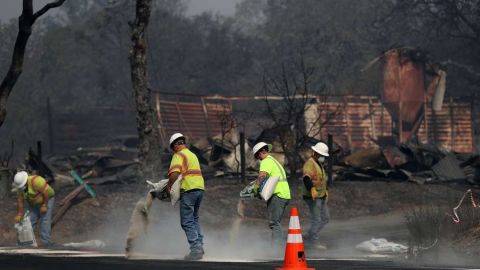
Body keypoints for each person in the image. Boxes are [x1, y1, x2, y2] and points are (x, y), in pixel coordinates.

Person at [166, 133, 205, 261]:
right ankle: (200, 246)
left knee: (187, 221)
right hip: (199, 188)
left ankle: (196, 249)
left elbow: (175, 173)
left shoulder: (179, 155)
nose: (173, 150)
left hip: (189, 189)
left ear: (175, 145)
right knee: (194, 218)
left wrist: (169, 185)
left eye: (173, 147)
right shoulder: (192, 154)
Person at [252, 142, 291, 246]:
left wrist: (256, 188)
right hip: (284, 194)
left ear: (260, 153)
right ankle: (277, 245)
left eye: (257, 156)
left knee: (274, 222)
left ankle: (278, 248)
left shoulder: (266, 162)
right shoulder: (274, 161)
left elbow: (262, 176)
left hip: (277, 194)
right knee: (276, 221)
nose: (258, 158)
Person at [12, 171, 55, 247]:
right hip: (34, 202)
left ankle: (45, 241)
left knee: (45, 219)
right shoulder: (21, 188)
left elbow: (46, 193)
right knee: (29, 220)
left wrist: (44, 205)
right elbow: (20, 201)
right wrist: (19, 214)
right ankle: (26, 241)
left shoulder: (37, 180)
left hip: (47, 198)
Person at [302, 142, 330, 249]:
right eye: (321, 154)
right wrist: (311, 189)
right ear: (316, 152)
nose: (322, 157)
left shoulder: (319, 163)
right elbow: (306, 178)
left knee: (325, 218)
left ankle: (310, 235)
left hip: (321, 195)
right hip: (313, 196)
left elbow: (321, 179)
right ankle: (314, 242)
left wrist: (325, 190)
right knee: (316, 219)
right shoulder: (310, 163)